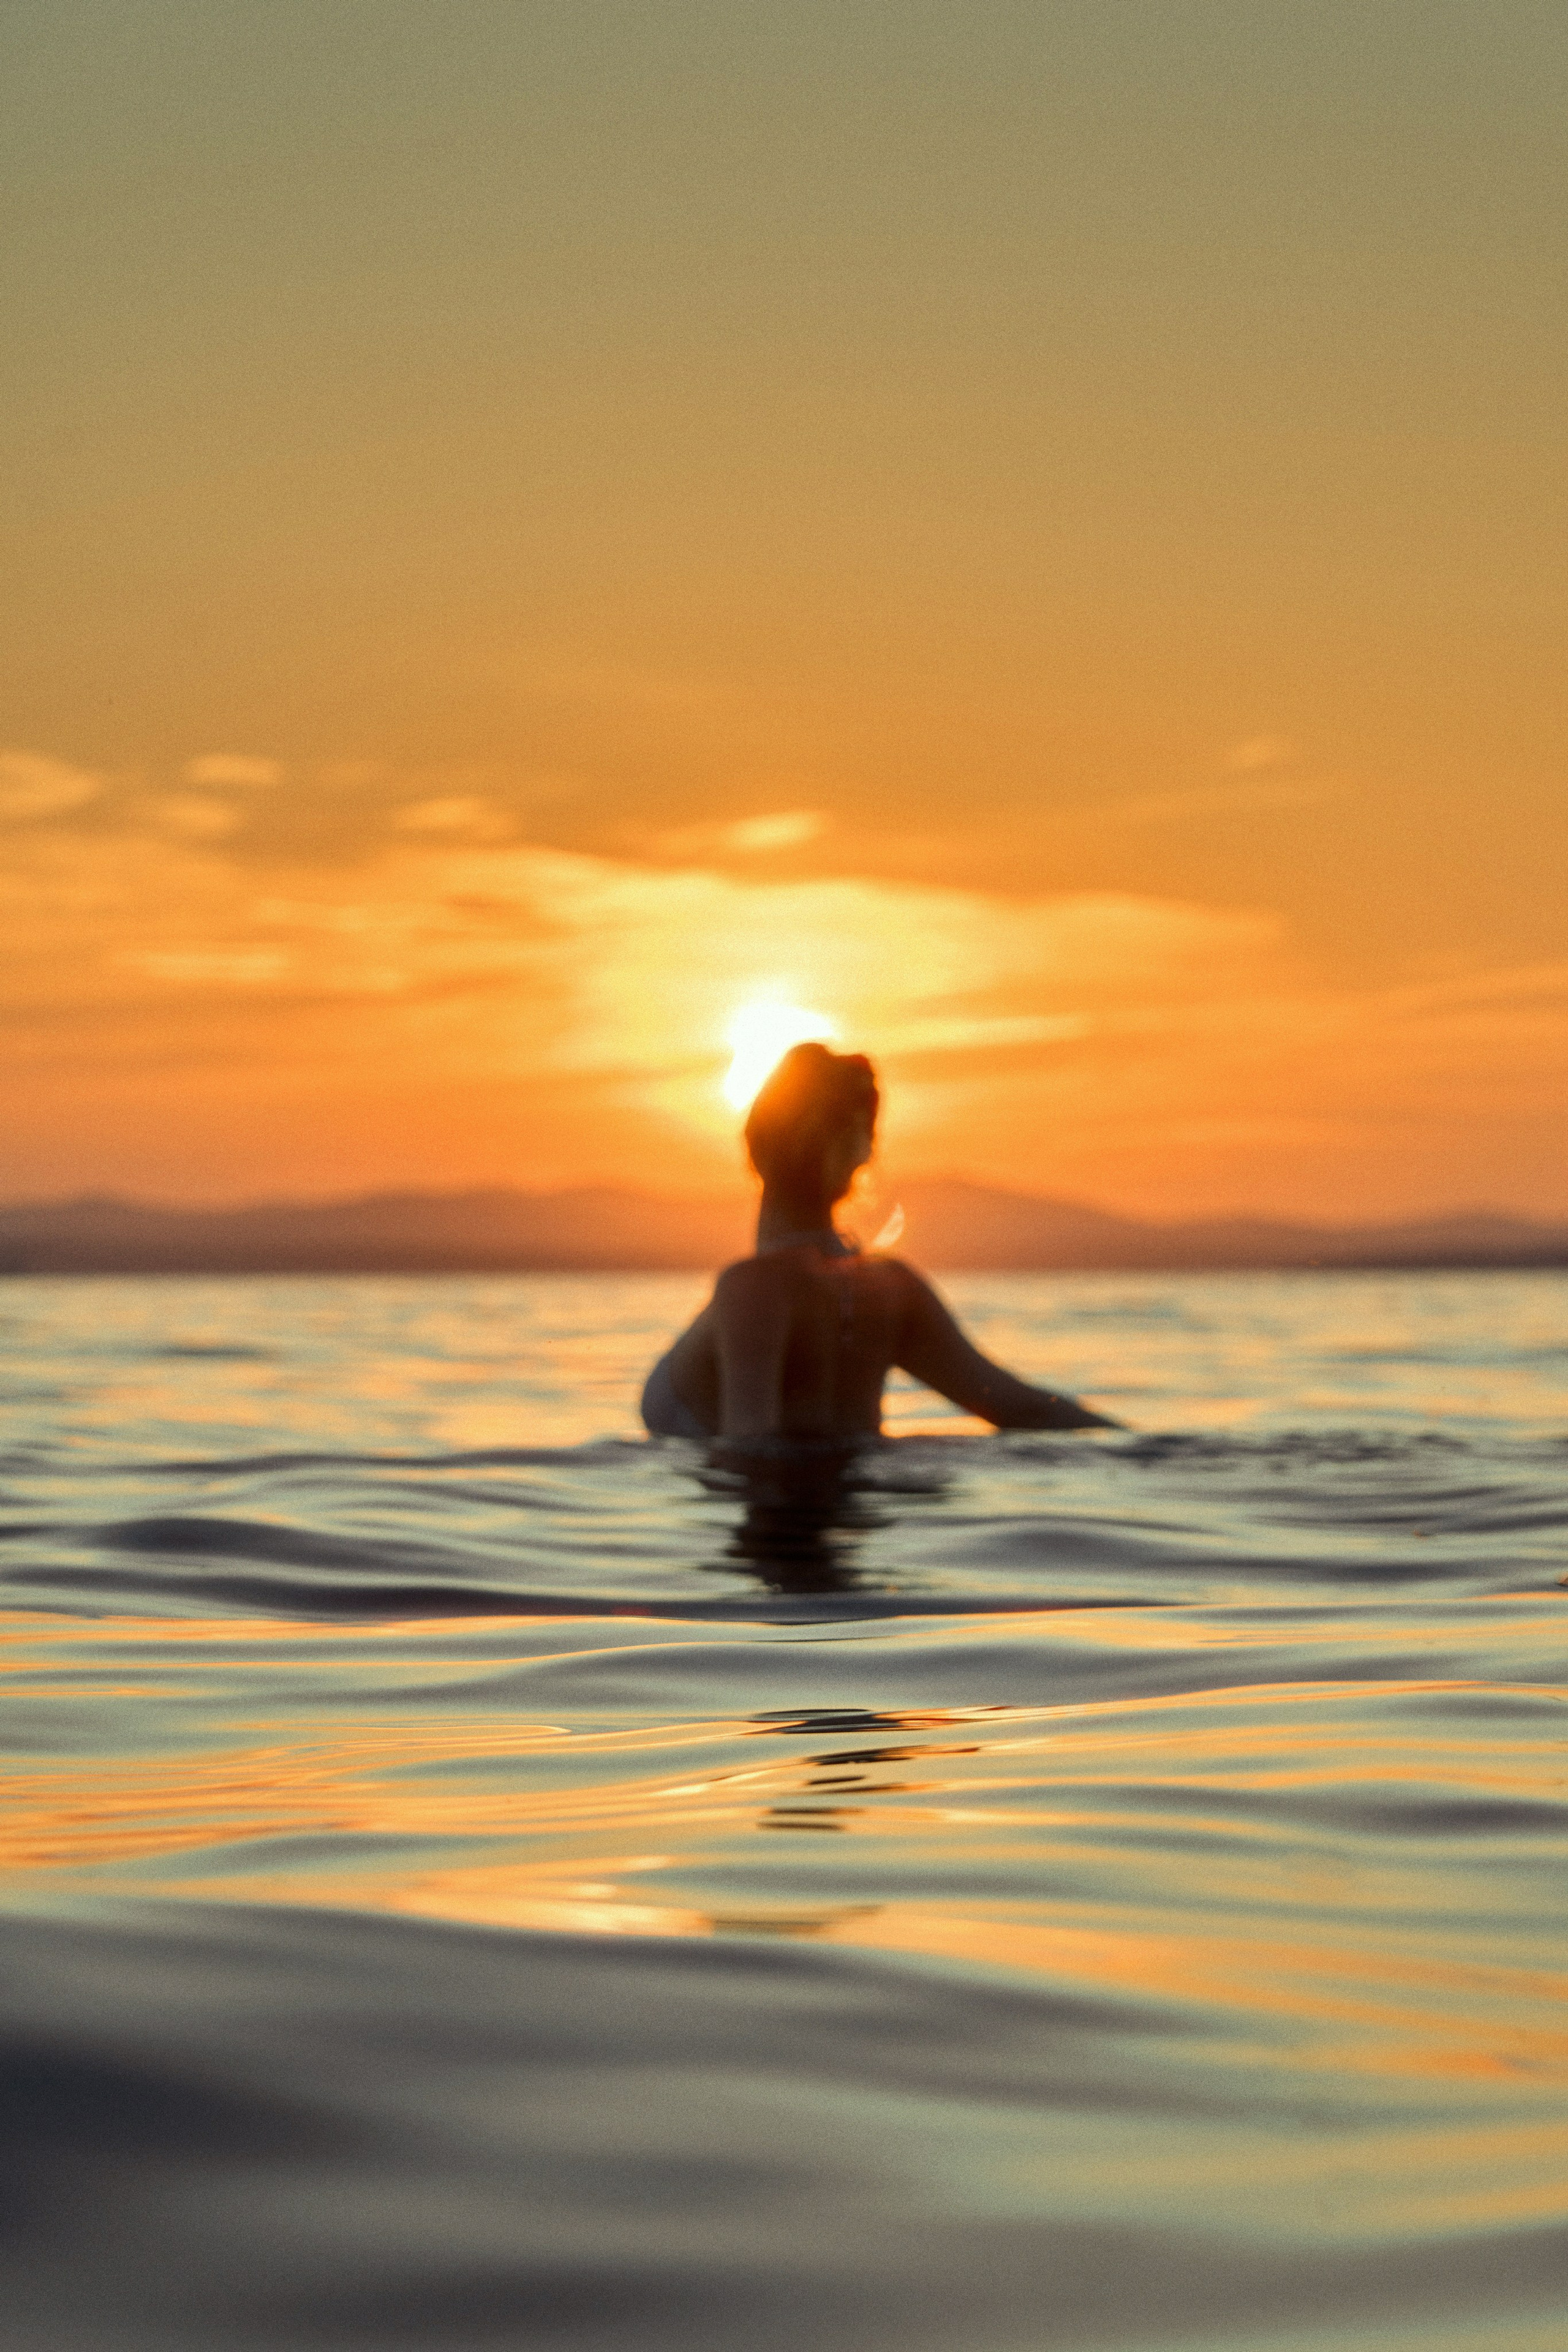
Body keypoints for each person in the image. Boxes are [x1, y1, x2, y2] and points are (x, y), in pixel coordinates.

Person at [641, 1041, 1120, 1442]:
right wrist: (1149, 1449)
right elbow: (1028, 1411)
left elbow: (753, 1454)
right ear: (859, 1155)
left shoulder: (752, 1289)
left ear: (756, 1145)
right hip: (858, 1535)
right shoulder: (890, 1289)